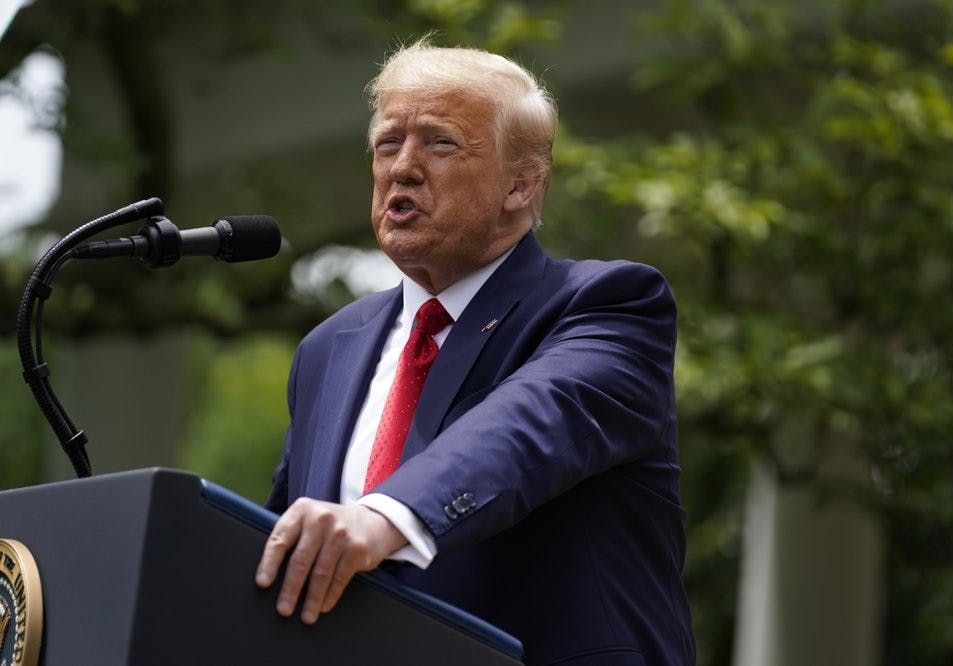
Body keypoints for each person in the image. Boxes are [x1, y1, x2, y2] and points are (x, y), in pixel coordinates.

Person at [255, 37, 695, 665]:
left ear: (521, 186)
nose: (402, 167)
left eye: (439, 142)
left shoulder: (608, 303)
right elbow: (280, 543)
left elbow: (528, 426)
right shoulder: (329, 349)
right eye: (387, 143)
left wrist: (386, 517)